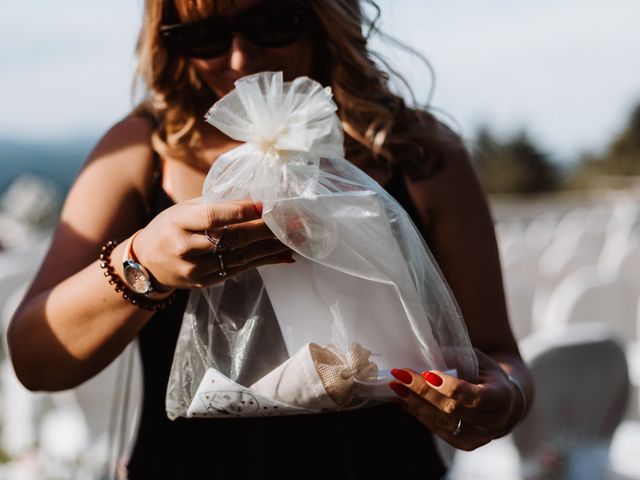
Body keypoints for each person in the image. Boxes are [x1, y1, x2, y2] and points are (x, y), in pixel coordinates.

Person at [7, 0, 533, 478]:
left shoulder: (421, 155)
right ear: (169, 40)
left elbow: (499, 353)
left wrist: (499, 399)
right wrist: (143, 263)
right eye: (204, 36)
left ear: (326, 17)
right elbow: (35, 359)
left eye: (272, 21)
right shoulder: (142, 151)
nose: (239, 58)